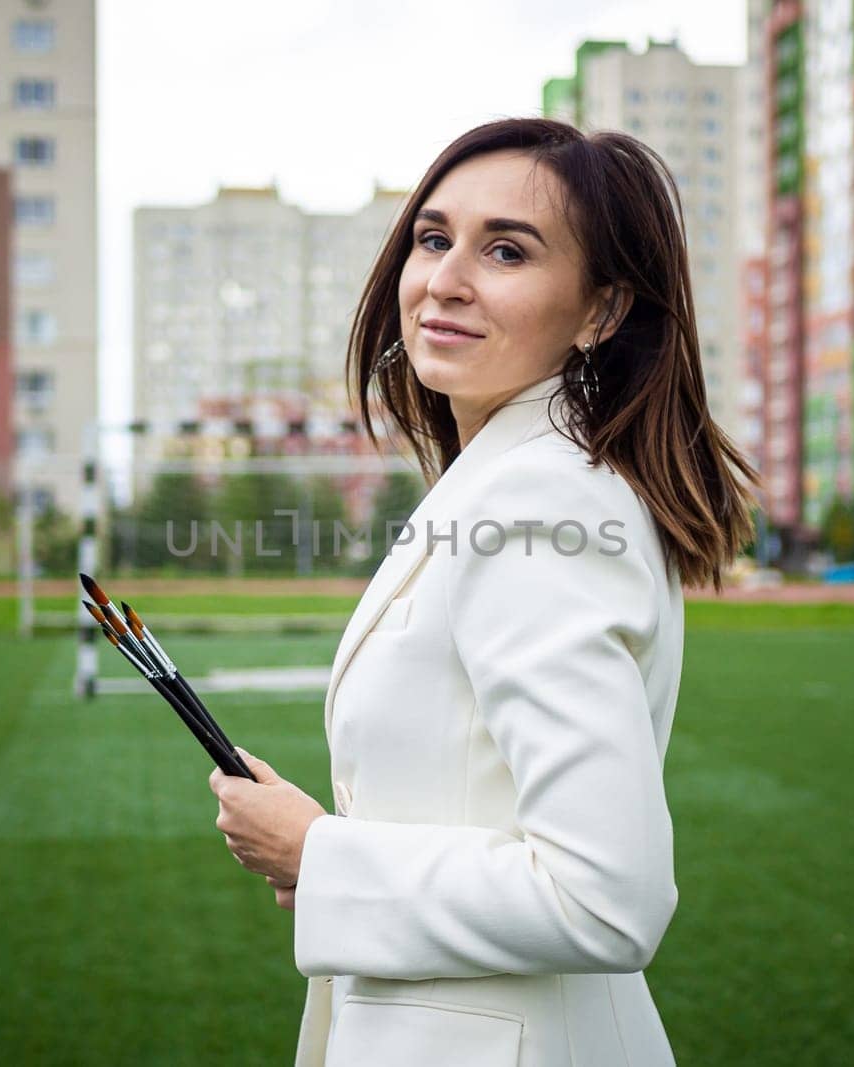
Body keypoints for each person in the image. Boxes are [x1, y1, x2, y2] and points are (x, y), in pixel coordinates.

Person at [208, 117, 757, 1067]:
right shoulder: (509, 481)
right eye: (433, 239)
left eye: (506, 249)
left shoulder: (537, 501)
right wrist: (338, 850)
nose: (446, 278)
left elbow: (605, 896)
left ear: (601, 310)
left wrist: (321, 854)